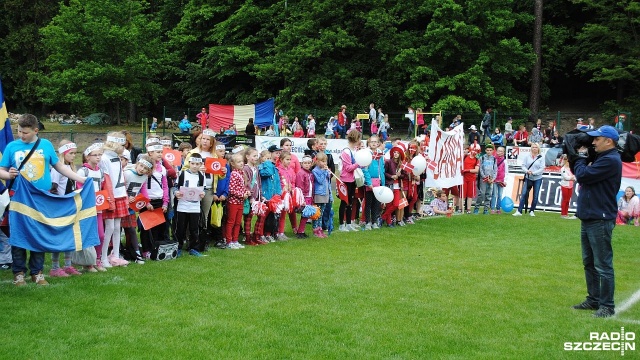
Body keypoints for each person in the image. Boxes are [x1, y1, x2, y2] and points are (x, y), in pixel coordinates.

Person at [0, 114, 87, 286]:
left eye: (25, 132)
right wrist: (7, 175)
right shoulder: (12, 146)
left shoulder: (45, 145)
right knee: (19, 235)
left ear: (35, 130)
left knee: (39, 235)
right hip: (19, 198)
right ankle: (18, 273)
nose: (21, 135)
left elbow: (60, 166)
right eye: (19, 131)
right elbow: (1, 170)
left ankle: (37, 273)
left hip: (42, 198)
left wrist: (81, 179)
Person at [572, 125, 622, 318]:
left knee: (602, 264)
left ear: (608, 141)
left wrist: (580, 157)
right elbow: (583, 174)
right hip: (591, 216)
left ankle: (607, 305)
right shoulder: (603, 157)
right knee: (589, 262)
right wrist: (581, 159)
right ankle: (593, 300)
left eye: (597, 139)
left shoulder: (610, 160)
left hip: (599, 218)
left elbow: (583, 175)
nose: (592, 143)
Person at [48, 140, 83, 277]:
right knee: (59, 236)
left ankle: (68, 265)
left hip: (70, 205)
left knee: (70, 235)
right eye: (71, 153)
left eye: (75, 153)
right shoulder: (58, 169)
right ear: (63, 154)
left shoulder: (71, 168)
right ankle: (55, 267)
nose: (74, 156)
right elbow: (53, 188)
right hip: (60, 206)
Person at [175, 153, 207, 256]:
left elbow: (203, 189)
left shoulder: (202, 176)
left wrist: (203, 194)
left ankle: (194, 248)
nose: (195, 166)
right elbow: (176, 187)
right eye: (193, 163)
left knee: (194, 228)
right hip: (182, 205)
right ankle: (178, 247)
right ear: (189, 163)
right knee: (180, 228)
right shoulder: (182, 174)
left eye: (197, 164)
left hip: (195, 206)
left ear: (200, 164)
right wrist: (176, 193)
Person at [338, 130, 362, 231]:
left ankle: (348, 223)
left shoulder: (354, 150)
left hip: (352, 179)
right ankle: (341, 224)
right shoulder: (346, 151)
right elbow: (347, 168)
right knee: (344, 202)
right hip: (346, 179)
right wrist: (359, 163)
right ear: (355, 139)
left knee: (351, 201)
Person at [512, 143, 544, 216]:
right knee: (524, 194)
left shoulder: (541, 157)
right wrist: (527, 171)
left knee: (535, 195)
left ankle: (532, 210)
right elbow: (523, 166)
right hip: (528, 177)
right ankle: (519, 211)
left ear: (538, 148)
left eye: (536, 147)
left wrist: (534, 173)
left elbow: (542, 168)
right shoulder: (527, 156)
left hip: (537, 178)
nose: (534, 148)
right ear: (531, 148)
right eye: (533, 147)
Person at [226, 153, 250, 249]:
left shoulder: (241, 173)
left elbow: (241, 187)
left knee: (237, 222)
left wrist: (246, 192)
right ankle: (229, 241)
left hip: (240, 202)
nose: (241, 163)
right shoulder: (234, 174)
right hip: (233, 202)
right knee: (231, 222)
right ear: (232, 163)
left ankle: (235, 240)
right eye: (238, 162)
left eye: (242, 161)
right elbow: (231, 190)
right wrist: (242, 195)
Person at [361, 135, 384, 230]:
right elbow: (365, 169)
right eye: (372, 142)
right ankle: (367, 222)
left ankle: (374, 221)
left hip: (378, 181)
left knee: (376, 202)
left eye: (376, 142)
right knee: (368, 202)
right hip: (369, 181)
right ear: (369, 143)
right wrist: (368, 181)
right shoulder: (367, 153)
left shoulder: (380, 153)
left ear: (378, 143)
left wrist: (383, 181)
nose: (374, 143)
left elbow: (381, 167)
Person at [295, 156, 314, 238]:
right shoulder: (301, 173)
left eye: (309, 163)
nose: (307, 165)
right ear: (301, 164)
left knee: (306, 215)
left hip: (309, 196)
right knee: (304, 214)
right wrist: (302, 198)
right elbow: (299, 186)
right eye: (305, 163)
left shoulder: (310, 173)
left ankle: (301, 231)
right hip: (304, 196)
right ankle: (300, 231)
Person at [311, 152, 330, 237]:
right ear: (317, 161)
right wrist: (324, 172)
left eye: (325, 161)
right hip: (319, 194)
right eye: (322, 161)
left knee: (322, 213)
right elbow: (320, 181)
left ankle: (320, 229)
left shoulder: (325, 170)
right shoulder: (315, 171)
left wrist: (327, 172)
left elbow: (327, 181)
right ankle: (315, 229)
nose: (324, 163)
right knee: (317, 213)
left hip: (325, 193)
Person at [474, 145, 496, 215]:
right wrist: (484, 177)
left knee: (488, 194)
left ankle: (486, 209)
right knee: (482, 193)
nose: (489, 152)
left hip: (491, 179)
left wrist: (493, 179)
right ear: (485, 150)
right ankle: (476, 208)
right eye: (488, 150)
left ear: (492, 151)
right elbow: (480, 169)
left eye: (490, 150)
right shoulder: (482, 158)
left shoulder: (494, 159)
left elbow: (495, 170)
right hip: (483, 179)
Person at [461, 145, 479, 214]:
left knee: (470, 195)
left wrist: (467, 170)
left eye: (476, 150)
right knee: (462, 194)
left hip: (471, 178)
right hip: (463, 178)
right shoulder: (465, 156)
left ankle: (468, 209)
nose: (474, 152)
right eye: (473, 150)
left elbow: (476, 170)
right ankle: (460, 208)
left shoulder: (477, 159)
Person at [559, 155, 577, 219]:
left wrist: (572, 178)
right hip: (565, 185)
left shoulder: (571, 169)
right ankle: (563, 213)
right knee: (565, 199)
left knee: (568, 200)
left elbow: (575, 177)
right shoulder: (563, 169)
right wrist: (571, 178)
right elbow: (566, 177)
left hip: (570, 185)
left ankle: (566, 213)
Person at [490, 146, 506, 214]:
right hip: (494, 179)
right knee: (494, 194)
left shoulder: (505, 161)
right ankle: (492, 208)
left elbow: (506, 171)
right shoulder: (493, 159)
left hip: (501, 180)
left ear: (503, 152)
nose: (499, 152)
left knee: (500, 195)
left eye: (501, 151)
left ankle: (498, 208)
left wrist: (505, 180)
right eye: (498, 151)